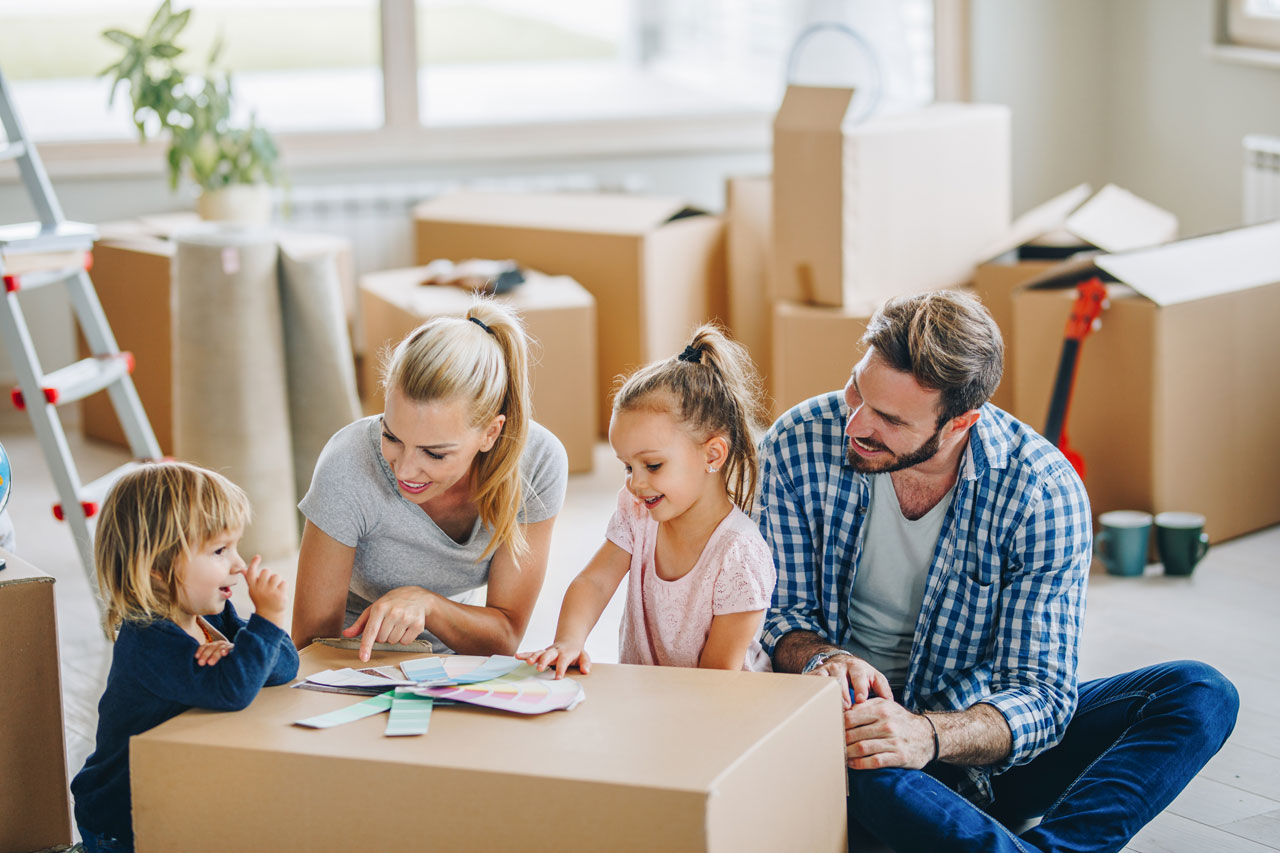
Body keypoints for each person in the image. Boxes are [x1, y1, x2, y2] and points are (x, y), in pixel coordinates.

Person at [757, 290, 1239, 852]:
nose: (855, 423)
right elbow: (778, 615)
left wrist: (928, 735)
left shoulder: (1040, 490)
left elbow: (1041, 694)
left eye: (888, 418)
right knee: (854, 756)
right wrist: (824, 657)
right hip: (851, 739)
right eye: (856, 389)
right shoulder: (796, 444)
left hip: (971, 745)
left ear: (961, 421)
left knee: (1200, 692)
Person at [292, 299, 568, 662]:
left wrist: (429, 605)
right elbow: (310, 645)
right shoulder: (348, 462)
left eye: (434, 454)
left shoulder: (537, 462)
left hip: (457, 658)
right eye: (391, 437)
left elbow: (505, 637)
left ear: (490, 433)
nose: (404, 471)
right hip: (352, 656)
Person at [520, 324, 775, 677]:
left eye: (652, 465)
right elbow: (594, 582)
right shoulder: (637, 510)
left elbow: (717, 680)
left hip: (718, 709)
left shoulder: (740, 554)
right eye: (627, 465)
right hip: (653, 701)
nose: (636, 483)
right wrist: (568, 641)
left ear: (713, 455)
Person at [71, 462, 298, 853]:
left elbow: (285, 667)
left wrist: (245, 647)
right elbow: (235, 690)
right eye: (219, 550)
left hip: (174, 794)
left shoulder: (210, 616)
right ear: (158, 567)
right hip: (121, 819)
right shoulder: (147, 640)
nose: (240, 565)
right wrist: (267, 620)